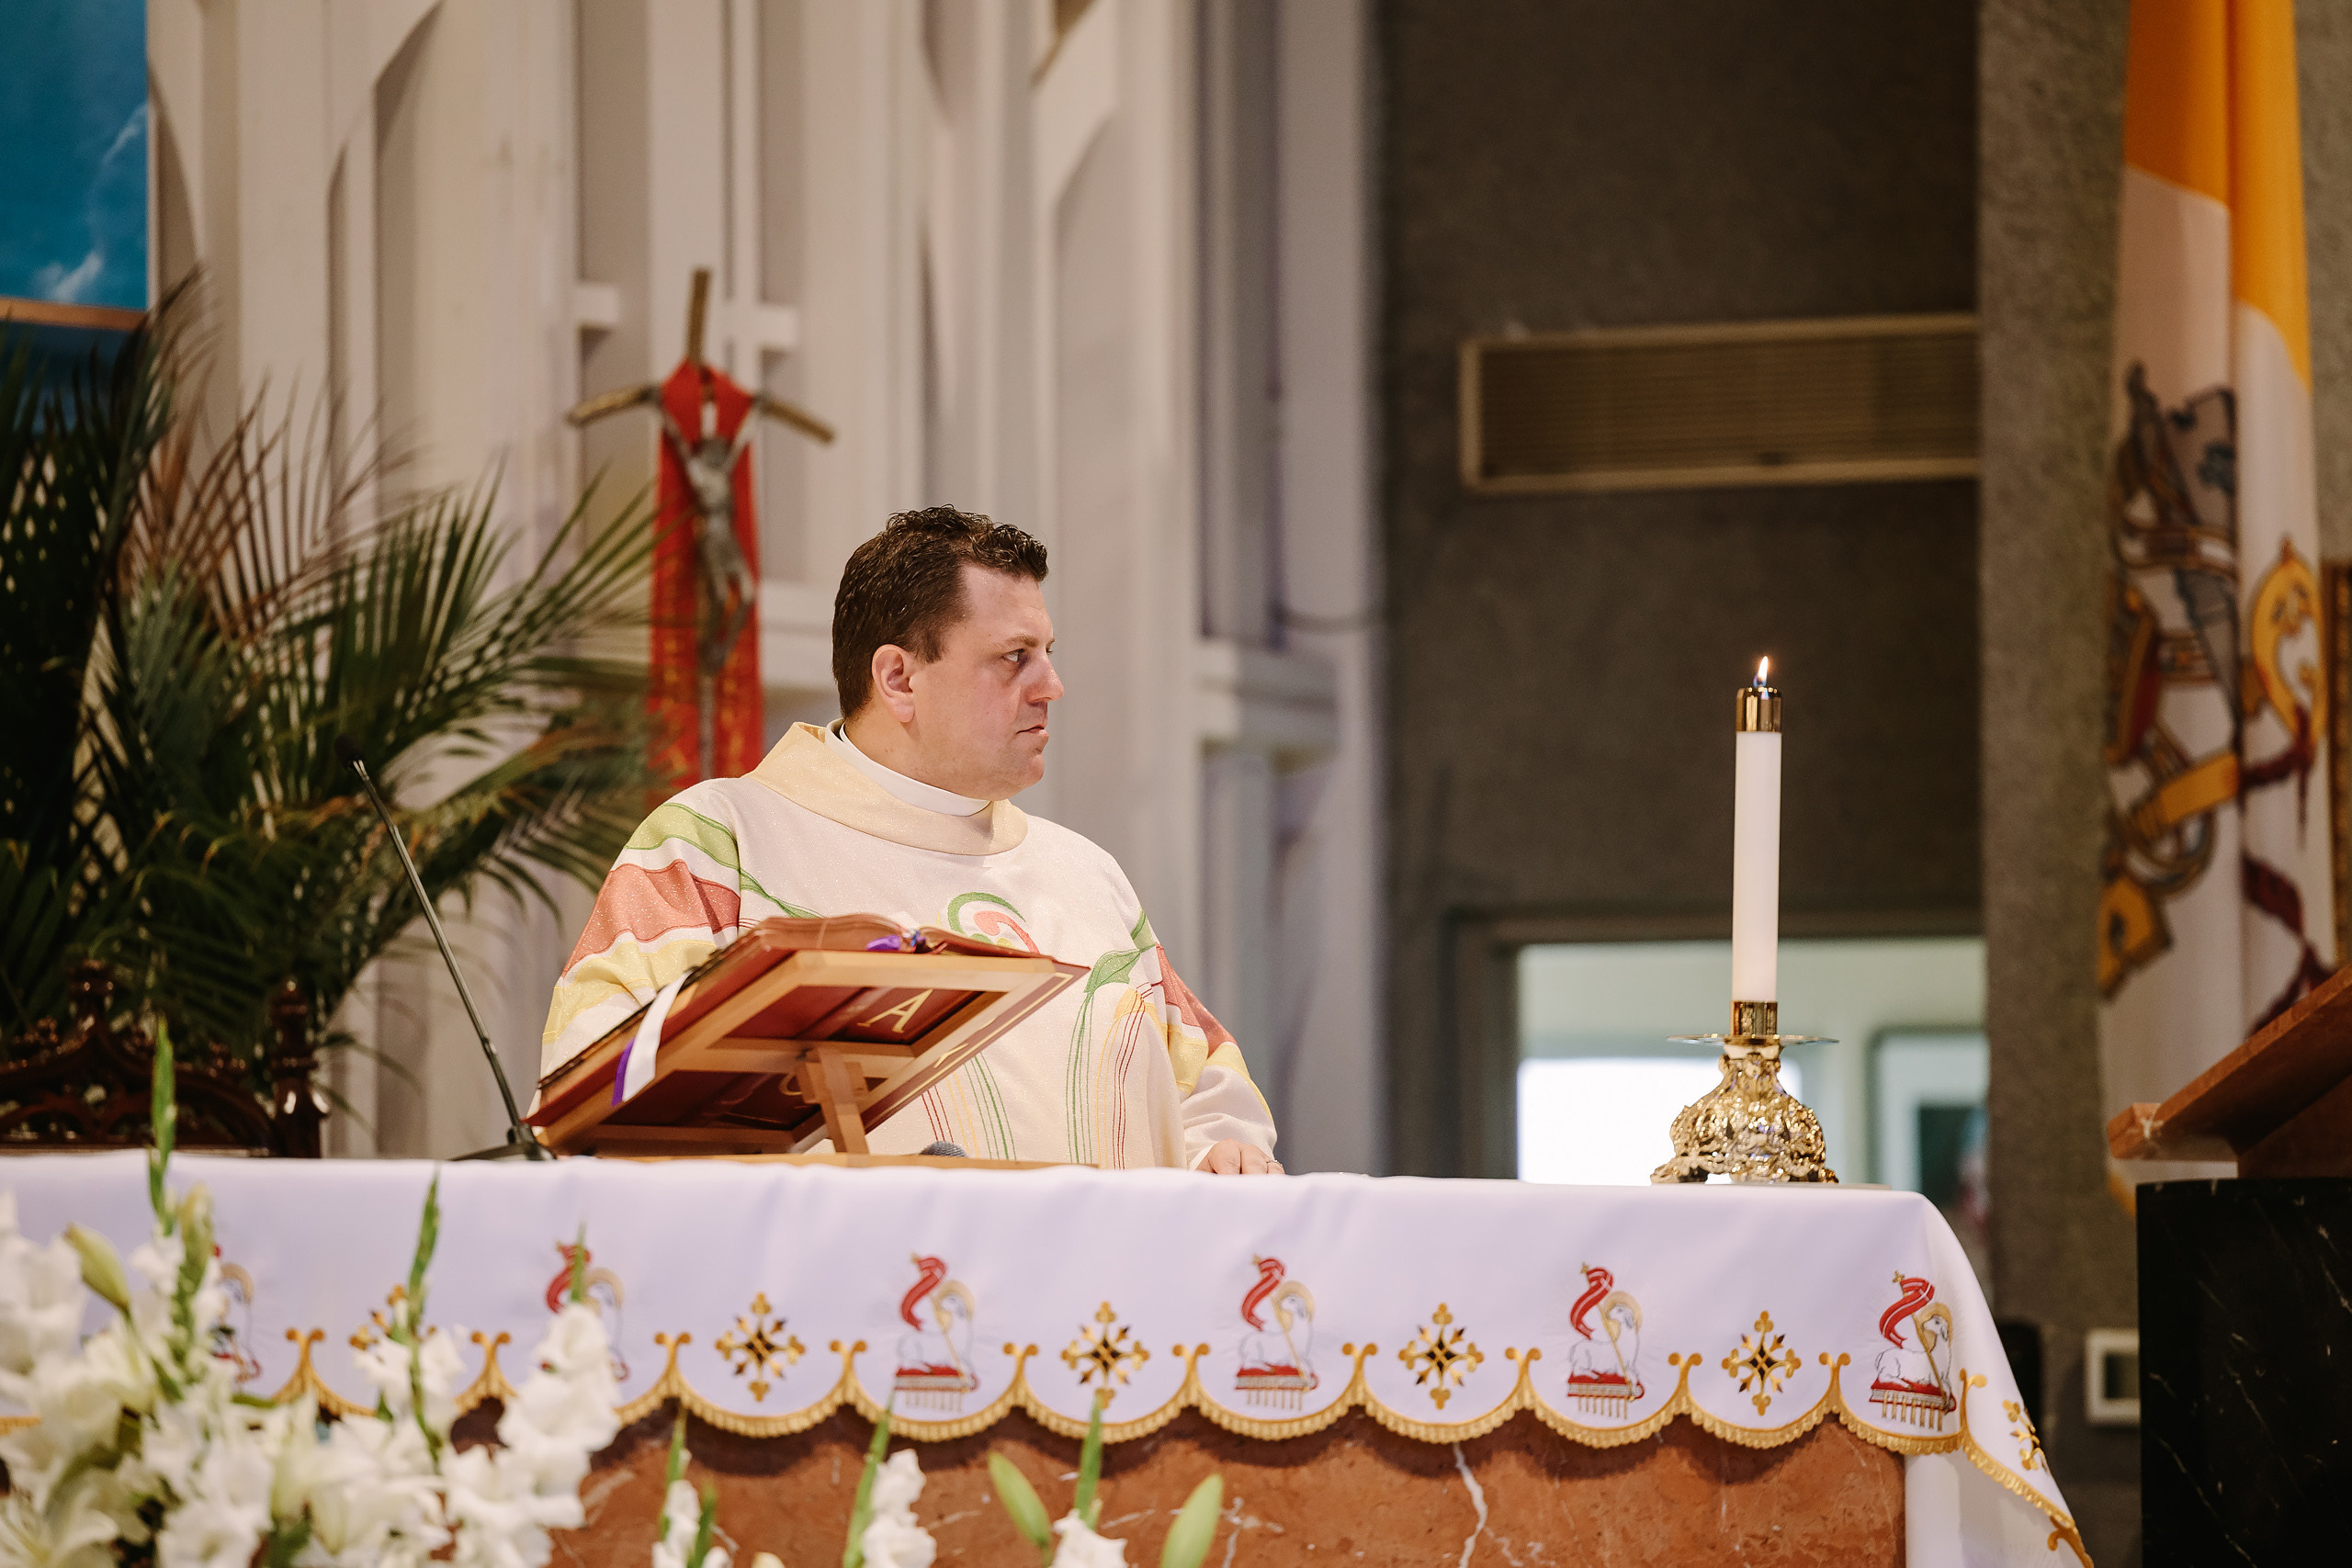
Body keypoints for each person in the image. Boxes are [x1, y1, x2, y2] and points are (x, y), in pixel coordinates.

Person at [540, 507, 1283, 1173]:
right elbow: (596, 1081)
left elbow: (1206, 1090)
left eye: (1049, 650)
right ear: (898, 678)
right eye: (1014, 655)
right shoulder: (718, 845)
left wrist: (1219, 1151)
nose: (1052, 683)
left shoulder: (1085, 876)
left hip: (1094, 1321)